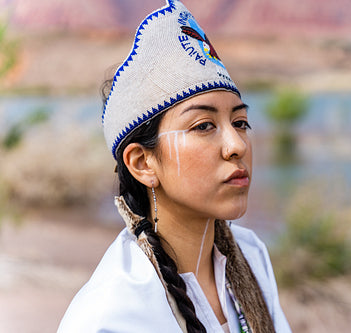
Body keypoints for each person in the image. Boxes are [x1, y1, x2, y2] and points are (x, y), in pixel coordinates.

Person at [58, 0, 291, 332]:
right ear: (143, 163)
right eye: (203, 126)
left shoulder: (251, 256)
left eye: (240, 122)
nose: (237, 145)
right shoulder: (112, 314)